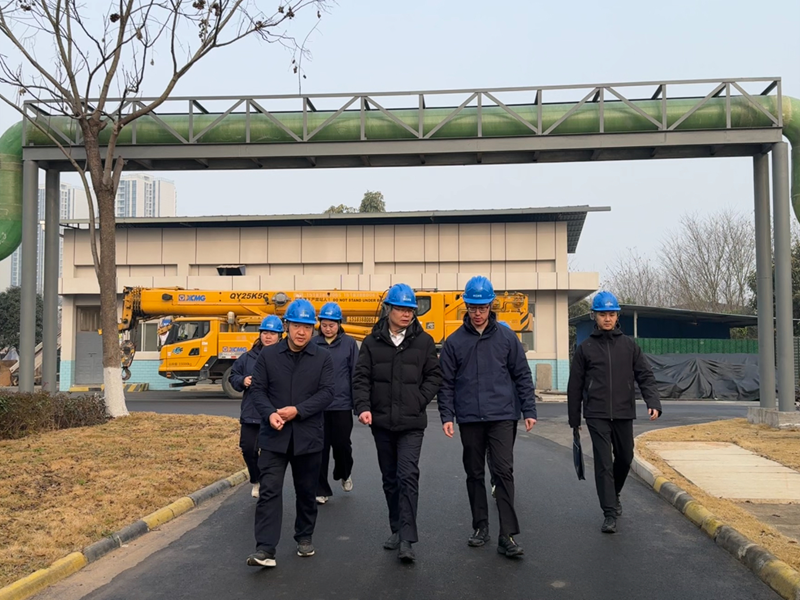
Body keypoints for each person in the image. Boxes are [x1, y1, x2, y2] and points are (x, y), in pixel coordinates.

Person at [438, 276, 537, 558]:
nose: (478, 313)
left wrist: (529, 410)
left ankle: (507, 535)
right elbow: (446, 383)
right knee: (474, 473)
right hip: (469, 418)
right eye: (473, 308)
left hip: (502, 415)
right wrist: (447, 415)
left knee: (503, 471)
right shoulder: (454, 342)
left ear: (491, 306)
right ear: (466, 307)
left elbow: (522, 375)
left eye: (482, 308)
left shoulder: (507, 338)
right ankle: (480, 526)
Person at [353, 283, 442, 563]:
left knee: (407, 475)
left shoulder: (424, 342)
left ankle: (407, 539)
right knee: (390, 479)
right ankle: (396, 528)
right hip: (381, 422)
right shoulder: (372, 342)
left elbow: (434, 376)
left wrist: (419, 399)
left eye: (410, 310)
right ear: (388, 309)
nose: (407, 314)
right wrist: (363, 407)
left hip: (412, 423)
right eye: (402, 309)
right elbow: (361, 378)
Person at [246, 299, 335, 568]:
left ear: (313, 329)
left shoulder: (322, 357)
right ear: (287, 326)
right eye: (296, 326)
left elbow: (327, 393)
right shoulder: (269, 356)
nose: (301, 332)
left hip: (308, 436)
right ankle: (265, 548)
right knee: (269, 491)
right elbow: (258, 390)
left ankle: (304, 536)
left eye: (307, 327)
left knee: (306, 491)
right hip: (274, 435)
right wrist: (269, 414)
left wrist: (299, 410)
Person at [567, 291, 662, 534]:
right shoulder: (585, 348)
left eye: (611, 314)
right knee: (603, 463)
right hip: (596, 414)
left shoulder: (629, 346)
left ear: (617, 316)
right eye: (602, 314)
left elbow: (645, 375)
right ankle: (609, 512)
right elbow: (575, 385)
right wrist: (574, 418)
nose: (607, 318)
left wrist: (653, 401)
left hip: (623, 412)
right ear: (594, 316)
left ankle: (614, 493)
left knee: (625, 458)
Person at [229, 315, 284, 499]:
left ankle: (268, 486)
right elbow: (233, 376)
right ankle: (256, 479)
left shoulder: (285, 357)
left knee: (272, 454)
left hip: (275, 413)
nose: (268, 337)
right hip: (251, 412)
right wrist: (242, 380)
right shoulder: (248, 357)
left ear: (280, 336)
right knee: (248, 448)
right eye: (265, 333)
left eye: (272, 333)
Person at [314, 302, 359, 504]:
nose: (328, 328)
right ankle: (321, 489)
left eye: (332, 325)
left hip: (342, 404)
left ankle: (344, 472)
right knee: (320, 449)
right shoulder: (313, 344)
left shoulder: (349, 343)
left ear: (339, 324)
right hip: (319, 406)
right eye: (324, 325)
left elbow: (355, 373)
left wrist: (358, 404)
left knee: (342, 445)